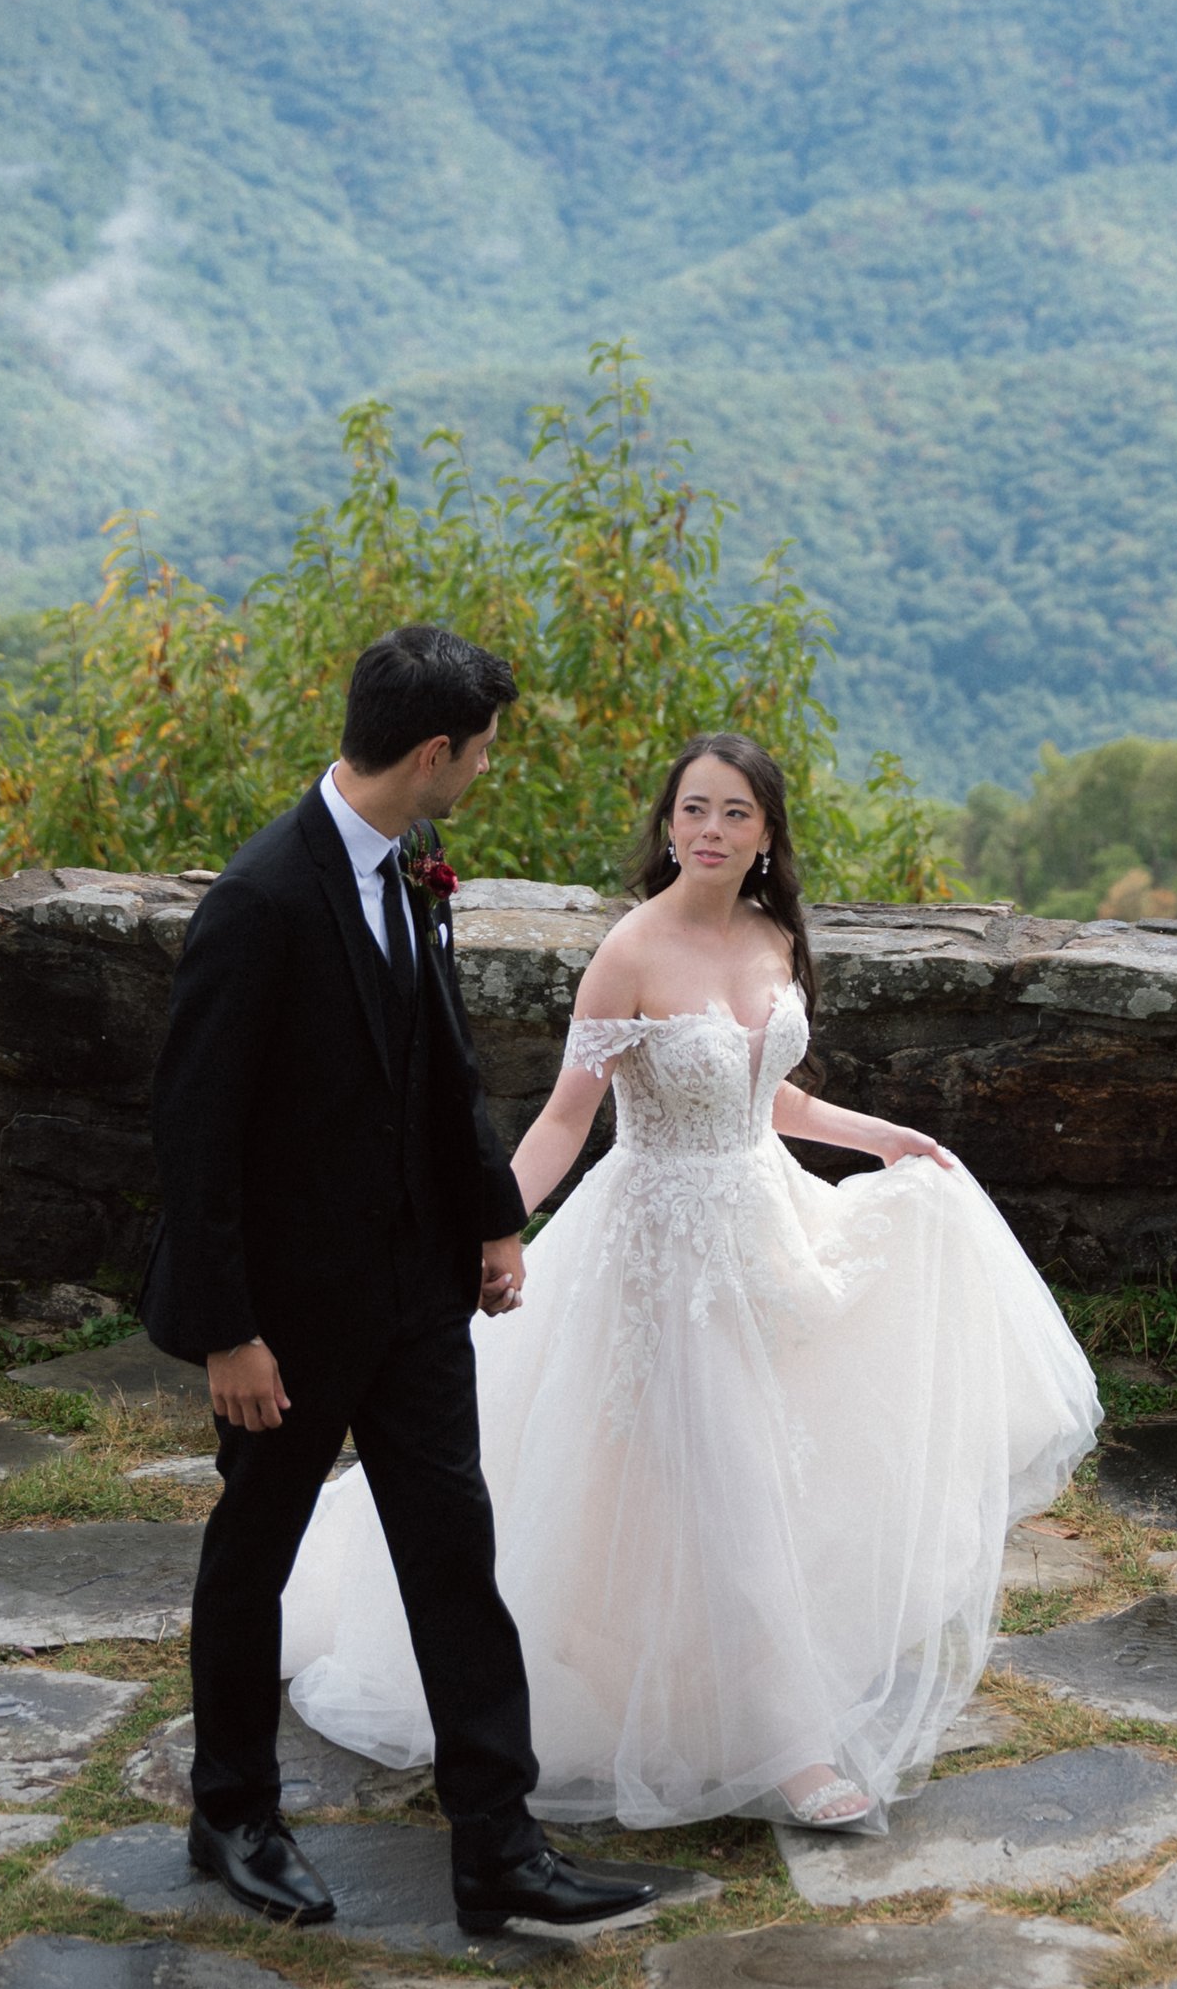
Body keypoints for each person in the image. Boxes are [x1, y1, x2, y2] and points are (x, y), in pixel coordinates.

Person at [280, 730, 1101, 1830]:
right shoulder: (629, 951)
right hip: (660, 1253)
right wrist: (492, 1221)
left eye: (735, 813)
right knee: (727, 1472)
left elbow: (770, 1096)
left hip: (765, 1225)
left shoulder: (773, 937)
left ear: (766, 835)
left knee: (776, 1462)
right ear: (668, 825)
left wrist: (881, 1136)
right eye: (693, 809)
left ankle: (706, 1671)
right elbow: (566, 1116)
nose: (710, 830)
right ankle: (791, 1745)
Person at [139, 623, 663, 1937]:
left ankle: (500, 1847)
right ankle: (232, 1815)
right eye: (479, 751)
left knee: (454, 1558)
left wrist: (491, 1220)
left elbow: (440, 1061)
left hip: (417, 1299)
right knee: (252, 1557)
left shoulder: (409, 869)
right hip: (286, 1321)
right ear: (432, 752)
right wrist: (228, 1331)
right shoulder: (260, 899)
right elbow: (195, 1133)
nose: (482, 770)